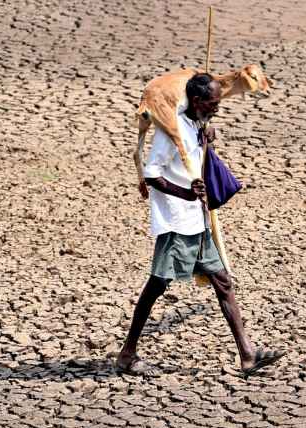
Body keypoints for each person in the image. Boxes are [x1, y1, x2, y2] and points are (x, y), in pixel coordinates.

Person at [116, 72, 281, 377]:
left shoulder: (195, 124)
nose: (218, 107)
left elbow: (194, 153)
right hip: (178, 222)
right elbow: (152, 174)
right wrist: (186, 192)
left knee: (222, 282)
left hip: (198, 220)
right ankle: (127, 354)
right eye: (213, 103)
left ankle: (247, 355)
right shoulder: (170, 131)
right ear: (196, 101)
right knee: (157, 285)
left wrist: (205, 137)